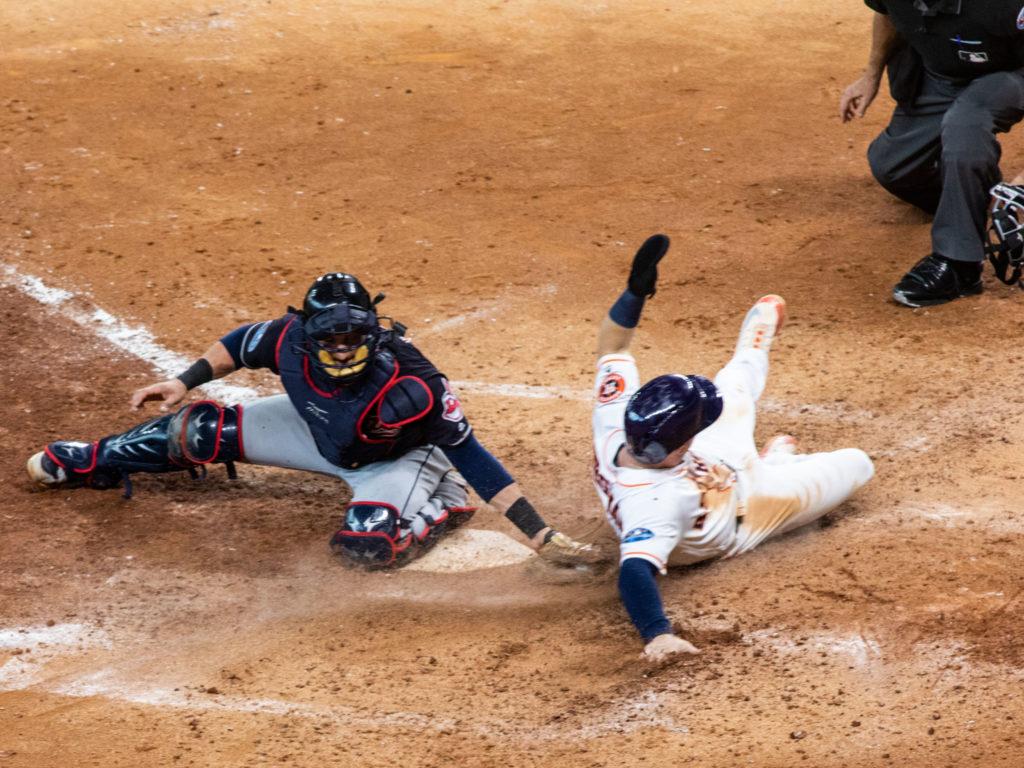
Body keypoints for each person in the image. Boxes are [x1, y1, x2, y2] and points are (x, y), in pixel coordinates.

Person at [27, 271, 602, 570]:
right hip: (315, 432)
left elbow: (473, 453)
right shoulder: (289, 339)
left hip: (396, 459)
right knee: (197, 430)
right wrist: (184, 380)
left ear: (372, 332)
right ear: (312, 334)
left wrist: (539, 533)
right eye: (334, 338)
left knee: (365, 548)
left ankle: (442, 504)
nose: (346, 348)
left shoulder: (414, 384)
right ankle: (94, 460)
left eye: (356, 337)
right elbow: (237, 344)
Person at [591, 235, 875, 662]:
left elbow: (613, 345)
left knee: (735, 389)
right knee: (858, 464)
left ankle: (753, 345)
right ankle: (777, 462)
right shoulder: (655, 505)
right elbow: (634, 571)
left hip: (709, 461)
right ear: (681, 443)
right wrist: (657, 634)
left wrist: (635, 293)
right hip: (750, 513)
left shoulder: (616, 419)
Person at [838, 0, 1024, 307]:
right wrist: (871, 73)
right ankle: (975, 189)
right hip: (945, 71)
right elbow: (887, 12)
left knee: (966, 123)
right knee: (894, 166)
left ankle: (959, 265)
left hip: (1012, 70)